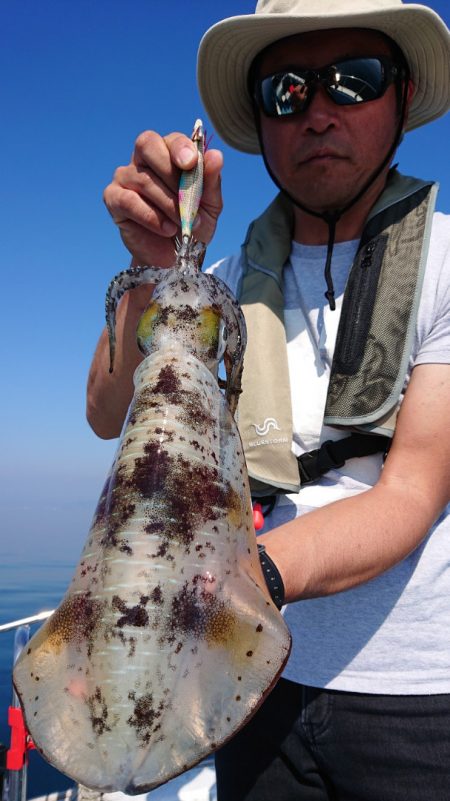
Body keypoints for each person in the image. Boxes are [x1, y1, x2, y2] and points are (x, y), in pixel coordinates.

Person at [87, 0, 450, 798]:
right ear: (261, 118)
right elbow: (109, 412)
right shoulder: (212, 290)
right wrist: (151, 270)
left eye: (352, 81)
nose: (318, 112)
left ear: (403, 94)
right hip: (253, 692)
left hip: (422, 701)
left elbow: (413, 492)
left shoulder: (449, 265)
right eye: (288, 91)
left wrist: (229, 577)